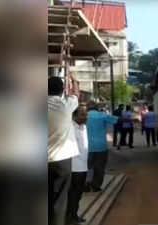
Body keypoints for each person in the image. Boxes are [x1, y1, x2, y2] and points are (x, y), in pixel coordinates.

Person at [48, 73, 80, 225]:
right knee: (59, 199)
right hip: (62, 161)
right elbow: (76, 94)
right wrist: (74, 80)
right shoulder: (65, 106)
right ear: (62, 91)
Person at [85, 101, 119, 192]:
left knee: (86, 167)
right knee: (99, 167)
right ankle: (96, 186)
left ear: (87, 108)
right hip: (101, 146)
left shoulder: (83, 116)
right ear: (97, 108)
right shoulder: (102, 115)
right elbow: (117, 120)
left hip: (86, 147)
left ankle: (86, 185)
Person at [66, 105, 88, 225]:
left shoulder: (83, 127)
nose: (86, 117)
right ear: (74, 116)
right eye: (82, 114)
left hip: (83, 166)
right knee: (72, 195)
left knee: (78, 194)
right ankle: (69, 218)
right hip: (74, 168)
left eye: (86, 114)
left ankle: (73, 215)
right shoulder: (70, 128)